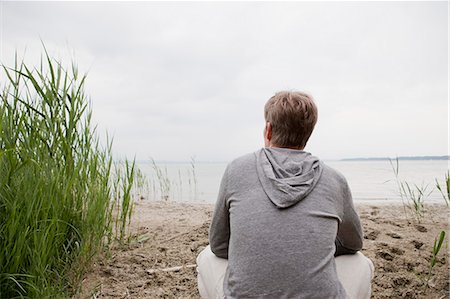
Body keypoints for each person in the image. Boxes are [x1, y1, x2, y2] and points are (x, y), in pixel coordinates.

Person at [196, 91, 374, 299]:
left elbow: (218, 245)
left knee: (206, 256)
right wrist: (310, 250)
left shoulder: (236, 169)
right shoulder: (335, 179)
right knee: (361, 262)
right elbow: (353, 243)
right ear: (308, 134)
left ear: (268, 130)